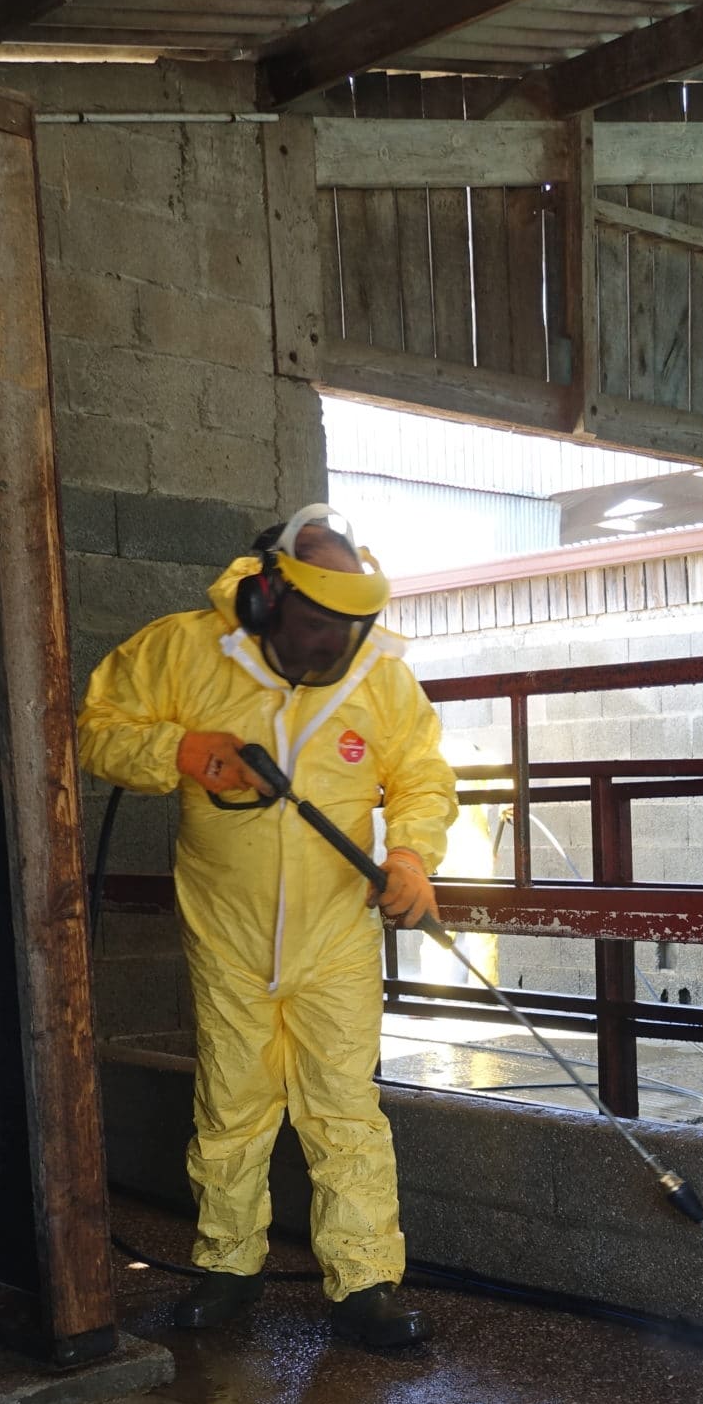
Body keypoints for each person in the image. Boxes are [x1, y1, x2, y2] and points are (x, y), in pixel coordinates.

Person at [78, 505, 458, 1348]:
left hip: (334, 934)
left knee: (344, 1110)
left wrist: (411, 857)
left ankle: (363, 1284)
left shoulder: (381, 678)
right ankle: (227, 1265)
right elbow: (97, 733)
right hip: (228, 930)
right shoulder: (183, 650)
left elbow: (422, 774)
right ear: (268, 596)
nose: (330, 647)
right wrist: (181, 751)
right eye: (317, 627)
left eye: (348, 630)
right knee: (232, 1104)